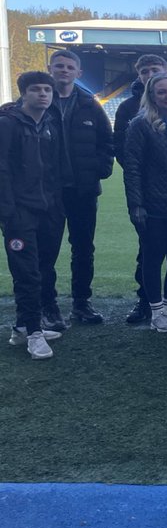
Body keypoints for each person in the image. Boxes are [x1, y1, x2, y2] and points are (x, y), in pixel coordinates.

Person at [114, 55, 167, 324]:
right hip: (153, 207)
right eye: (162, 92)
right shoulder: (139, 125)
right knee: (153, 259)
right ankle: (156, 311)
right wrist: (136, 205)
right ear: (152, 95)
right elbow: (133, 168)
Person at [0, 72, 67, 358]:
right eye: (36, 89)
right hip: (19, 212)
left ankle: (22, 327)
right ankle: (35, 334)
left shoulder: (51, 123)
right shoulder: (8, 125)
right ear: (23, 94)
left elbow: (56, 168)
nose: (43, 94)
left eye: (47, 89)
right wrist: (7, 211)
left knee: (43, 268)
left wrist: (58, 205)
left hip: (49, 209)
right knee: (26, 273)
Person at [45, 49, 114, 327]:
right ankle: (47, 305)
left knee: (83, 248)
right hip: (47, 192)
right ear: (50, 69)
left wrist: (100, 169)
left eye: (69, 67)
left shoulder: (90, 104)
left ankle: (81, 303)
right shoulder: (37, 100)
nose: (64, 70)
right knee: (46, 250)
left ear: (79, 73)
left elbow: (106, 142)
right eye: (59, 66)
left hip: (83, 191)